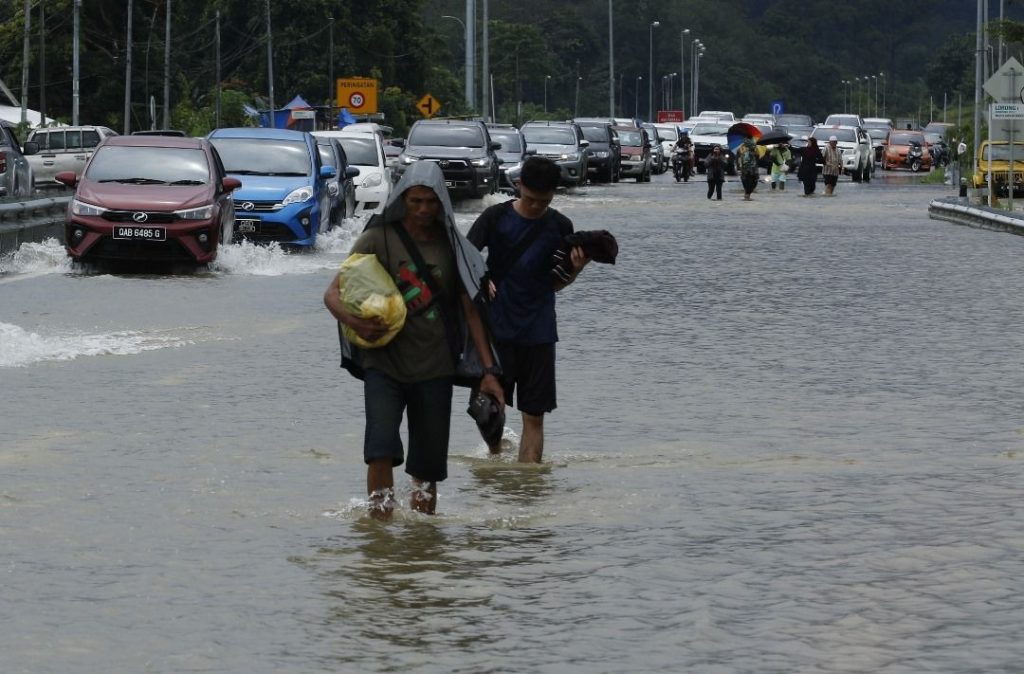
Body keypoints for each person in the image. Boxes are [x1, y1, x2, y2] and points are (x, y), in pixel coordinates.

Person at [324, 161, 504, 519]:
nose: (423, 209)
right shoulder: (378, 238)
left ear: (442, 204)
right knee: (380, 449)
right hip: (384, 365)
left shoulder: (455, 247)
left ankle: (422, 539)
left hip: (435, 367)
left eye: (430, 202)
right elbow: (333, 294)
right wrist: (355, 322)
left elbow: (471, 312)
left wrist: (488, 370)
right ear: (403, 199)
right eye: (415, 201)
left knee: (428, 464)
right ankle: (381, 533)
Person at [467, 157, 590, 463]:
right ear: (519, 185)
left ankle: (528, 485)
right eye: (531, 199)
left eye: (544, 201)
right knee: (489, 410)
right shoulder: (495, 218)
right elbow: (465, 259)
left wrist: (575, 271)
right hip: (497, 332)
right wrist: (482, 280)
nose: (536, 207)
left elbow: (554, 285)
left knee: (534, 416)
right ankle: (494, 457)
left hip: (539, 333)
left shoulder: (561, 226)